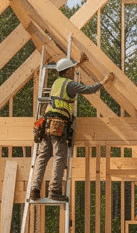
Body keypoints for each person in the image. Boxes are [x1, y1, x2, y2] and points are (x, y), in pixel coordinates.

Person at [27, 57, 106, 202]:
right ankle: (54, 191)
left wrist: (79, 63)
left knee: (42, 157)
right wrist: (104, 82)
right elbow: (88, 89)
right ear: (68, 71)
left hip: (46, 123)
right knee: (59, 156)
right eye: (72, 69)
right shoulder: (69, 85)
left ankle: (34, 190)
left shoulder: (57, 82)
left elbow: (69, 70)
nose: (73, 71)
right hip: (58, 124)